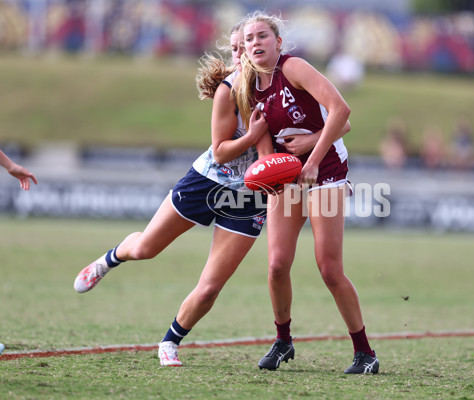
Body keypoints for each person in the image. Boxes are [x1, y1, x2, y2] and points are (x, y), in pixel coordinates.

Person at [73, 23, 273, 367]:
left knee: (210, 288)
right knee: (145, 248)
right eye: (238, 48)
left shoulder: (278, 88)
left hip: (247, 197)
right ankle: (110, 259)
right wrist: (253, 134)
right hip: (207, 181)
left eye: (250, 45)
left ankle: (170, 342)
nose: (243, 53)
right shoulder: (229, 89)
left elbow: (274, 154)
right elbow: (221, 151)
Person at [236, 11, 379, 374]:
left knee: (329, 269)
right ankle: (283, 342)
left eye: (263, 36)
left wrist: (312, 157)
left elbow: (342, 113)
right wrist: (267, 174)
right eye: (249, 38)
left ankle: (365, 353)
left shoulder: (293, 68)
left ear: (278, 42)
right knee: (276, 265)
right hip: (289, 179)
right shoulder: (249, 89)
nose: (256, 43)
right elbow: (266, 152)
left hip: (326, 170)